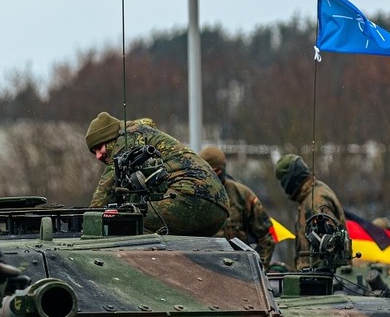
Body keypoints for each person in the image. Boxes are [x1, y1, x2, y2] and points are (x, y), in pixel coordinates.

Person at [85, 112, 229, 236]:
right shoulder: (143, 135)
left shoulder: (127, 138)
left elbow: (106, 188)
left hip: (191, 198)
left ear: (110, 138)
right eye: (94, 152)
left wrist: (88, 222)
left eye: (99, 147)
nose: (98, 156)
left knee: (124, 222)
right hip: (219, 210)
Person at [198, 145, 276, 266]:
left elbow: (266, 238)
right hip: (202, 268)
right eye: (207, 172)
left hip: (238, 270)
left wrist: (257, 268)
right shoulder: (193, 196)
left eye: (216, 171)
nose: (212, 176)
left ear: (223, 170)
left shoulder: (242, 195)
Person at [274, 153, 347, 270]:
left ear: (290, 180)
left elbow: (330, 243)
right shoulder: (310, 196)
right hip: (314, 277)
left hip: (321, 279)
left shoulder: (315, 201)